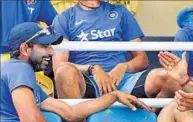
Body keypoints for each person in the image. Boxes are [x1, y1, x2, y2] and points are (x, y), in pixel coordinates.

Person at [0, 22, 150, 122]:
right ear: (25, 49)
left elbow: (70, 113)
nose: (51, 52)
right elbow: (30, 119)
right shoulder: (19, 68)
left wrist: (113, 96)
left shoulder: (22, 76)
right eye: (45, 46)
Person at [52, 0, 183, 99]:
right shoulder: (64, 19)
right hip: (87, 80)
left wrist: (123, 67)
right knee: (64, 73)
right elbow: (59, 66)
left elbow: (142, 60)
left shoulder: (121, 12)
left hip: (123, 80)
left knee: (169, 77)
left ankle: (151, 120)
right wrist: (93, 69)